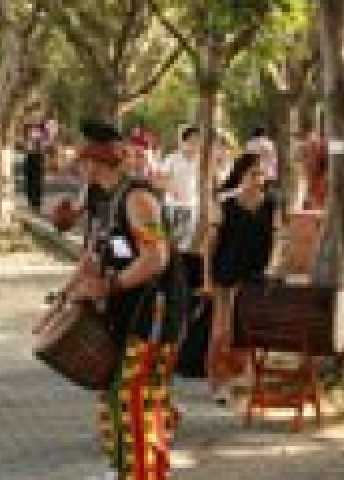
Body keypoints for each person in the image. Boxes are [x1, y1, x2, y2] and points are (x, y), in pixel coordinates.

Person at [61, 120, 181, 480]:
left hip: (153, 314)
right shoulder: (102, 198)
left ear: (96, 162)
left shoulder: (137, 199)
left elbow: (156, 257)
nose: (78, 166)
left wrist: (109, 286)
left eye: (83, 160)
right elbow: (93, 254)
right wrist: (67, 294)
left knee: (135, 401)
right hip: (127, 313)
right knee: (115, 399)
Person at [206, 153, 284, 404]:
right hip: (226, 272)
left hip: (256, 275)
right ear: (241, 174)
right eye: (253, 173)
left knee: (248, 330)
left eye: (261, 173)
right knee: (221, 331)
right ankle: (218, 382)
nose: (258, 178)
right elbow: (211, 244)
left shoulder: (271, 204)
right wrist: (207, 277)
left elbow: (278, 240)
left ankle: (243, 380)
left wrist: (273, 268)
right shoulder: (225, 203)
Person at [157, 126, 201, 253]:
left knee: (184, 244)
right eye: (192, 140)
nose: (195, 144)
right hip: (172, 205)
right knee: (169, 241)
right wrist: (173, 191)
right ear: (184, 141)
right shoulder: (172, 158)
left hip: (191, 207)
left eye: (198, 141)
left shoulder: (201, 161)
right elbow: (161, 180)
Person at [22, 116, 51, 212]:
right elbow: (25, 141)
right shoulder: (27, 128)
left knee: (38, 179)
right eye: (34, 118)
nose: (35, 120)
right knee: (29, 179)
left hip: (39, 155)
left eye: (38, 118)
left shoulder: (44, 130)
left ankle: (37, 203)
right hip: (30, 155)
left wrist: (40, 143)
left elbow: (47, 142)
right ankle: (31, 201)